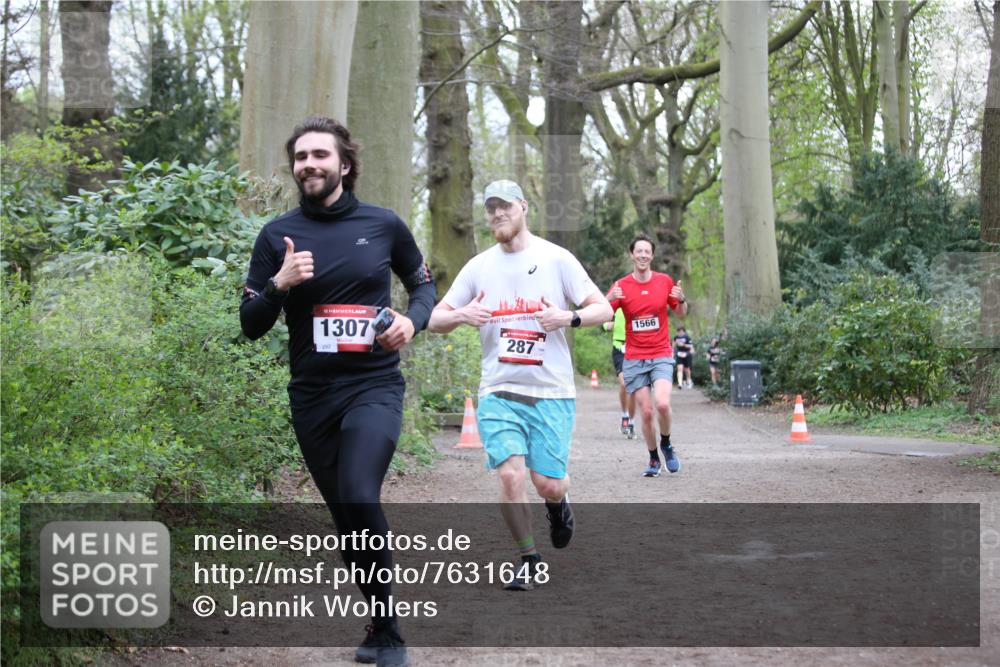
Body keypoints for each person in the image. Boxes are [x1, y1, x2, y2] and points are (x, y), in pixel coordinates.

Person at [239, 117, 435, 667]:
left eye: (320, 155)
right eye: (301, 157)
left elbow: (423, 284)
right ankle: (375, 622)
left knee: (357, 493)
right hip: (312, 397)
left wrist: (412, 322)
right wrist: (279, 285)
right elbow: (250, 324)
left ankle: (391, 631)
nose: (310, 165)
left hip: (373, 385)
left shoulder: (384, 224)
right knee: (348, 518)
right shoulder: (277, 236)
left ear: (344, 164)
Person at [428, 179, 612, 590]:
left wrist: (568, 318)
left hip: (550, 391)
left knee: (547, 482)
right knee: (510, 477)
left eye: (504, 206)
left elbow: (604, 310)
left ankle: (558, 502)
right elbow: (434, 319)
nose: (497, 214)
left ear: (523, 207)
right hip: (498, 390)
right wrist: (461, 316)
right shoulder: (478, 267)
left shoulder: (556, 259)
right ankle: (529, 558)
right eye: (490, 208)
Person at [606, 234, 687, 478]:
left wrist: (683, 301)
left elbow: (681, 314)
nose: (642, 255)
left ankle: (667, 444)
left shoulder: (664, 282)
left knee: (662, 404)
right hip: (634, 358)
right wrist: (608, 300)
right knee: (647, 411)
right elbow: (601, 313)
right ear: (631, 255)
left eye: (647, 251)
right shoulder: (620, 286)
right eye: (638, 251)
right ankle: (653, 458)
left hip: (661, 353)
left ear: (652, 255)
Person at [603, 306, 636, 438]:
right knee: (624, 384)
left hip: (635, 347)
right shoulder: (615, 304)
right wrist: (606, 325)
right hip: (619, 347)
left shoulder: (635, 302)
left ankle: (632, 423)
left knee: (633, 387)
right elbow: (602, 318)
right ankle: (625, 415)